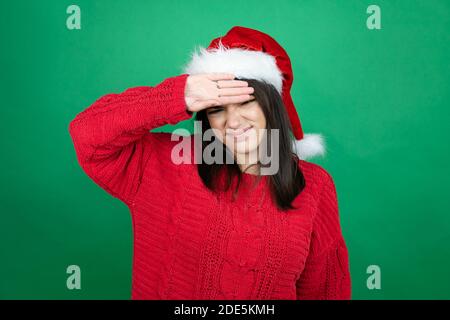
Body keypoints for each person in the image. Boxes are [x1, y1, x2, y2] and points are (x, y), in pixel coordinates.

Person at [69, 26, 351, 300]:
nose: (234, 121)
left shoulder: (315, 185)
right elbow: (86, 134)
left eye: (245, 102)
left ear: (271, 104)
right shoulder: (163, 162)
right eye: (217, 109)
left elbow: (325, 291)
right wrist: (180, 95)